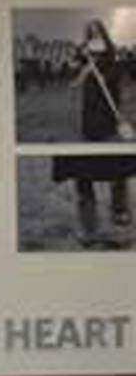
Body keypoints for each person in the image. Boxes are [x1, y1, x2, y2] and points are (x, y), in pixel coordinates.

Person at [54, 19, 136, 247]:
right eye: (90, 33)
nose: (94, 35)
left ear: (104, 33)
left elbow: (117, 76)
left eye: (97, 31)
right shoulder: (84, 55)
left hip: (109, 114)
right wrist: (81, 63)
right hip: (89, 114)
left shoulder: (113, 57)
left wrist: (101, 68)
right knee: (83, 169)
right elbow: (72, 75)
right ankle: (89, 225)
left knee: (117, 164)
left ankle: (120, 213)